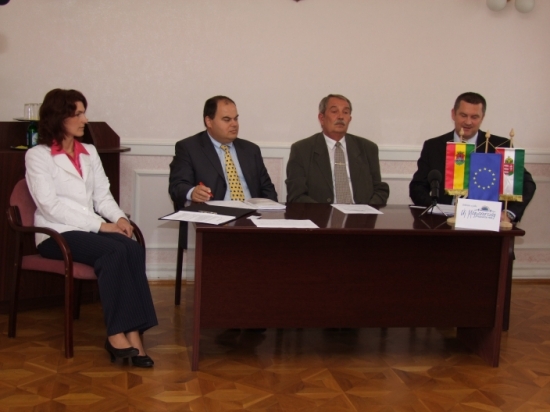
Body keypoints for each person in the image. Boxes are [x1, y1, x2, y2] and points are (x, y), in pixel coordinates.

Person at [25, 89, 157, 367]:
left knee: (132, 249)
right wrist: (100, 225)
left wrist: (119, 219)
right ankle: (116, 334)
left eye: (84, 113)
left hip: (85, 231)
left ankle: (133, 333)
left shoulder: (90, 152)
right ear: (58, 117)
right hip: (55, 233)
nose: (85, 120)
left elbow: (102, 196)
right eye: (78, 114)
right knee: (113, 252)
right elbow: (50, 206)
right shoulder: (38, 155)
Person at [409, 92, 536, 222]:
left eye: (474, 117)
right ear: (453, 114)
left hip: (487, 220)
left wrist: (509, 213)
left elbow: (527, 184)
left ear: (482, 118)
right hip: (444, 221)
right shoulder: (433, 146)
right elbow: (417, 186)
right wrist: (435, 209)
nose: (468, 122)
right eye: (463, 115)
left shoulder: (500, 146)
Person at [168, 95, 278, 246]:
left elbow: (268, 191)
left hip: (252, 223)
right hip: (213, 225)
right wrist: (192, 192)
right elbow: (177, 186)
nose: (234, 124)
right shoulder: (189, 148)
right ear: (209, 121)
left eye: (236, 119)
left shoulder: (251, 150)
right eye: (227, 119)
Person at [285, 94, 389, 205]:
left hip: (361, 213)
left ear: (350, 119)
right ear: (322, 118)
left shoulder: (367, 148)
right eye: (334, 111)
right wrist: (324, 212)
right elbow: (296, 195)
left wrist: (368, 210)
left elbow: (379, 189)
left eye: (345, 112)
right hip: (321, 213)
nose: (340, 117)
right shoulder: (302, 150)